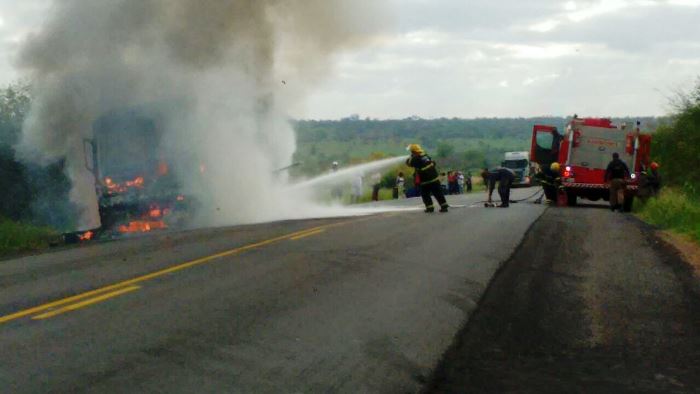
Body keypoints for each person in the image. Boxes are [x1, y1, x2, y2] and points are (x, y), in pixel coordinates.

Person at [406, 144, 449, 213]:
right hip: (434, 178)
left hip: (425, 180)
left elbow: (409, 163)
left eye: (411, 152)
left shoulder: (415, 158)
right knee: (438, 193)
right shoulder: (425, 155)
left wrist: (411, 157)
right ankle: (444, 206)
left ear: (413, 151)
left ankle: (430, 208)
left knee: (425, 194)